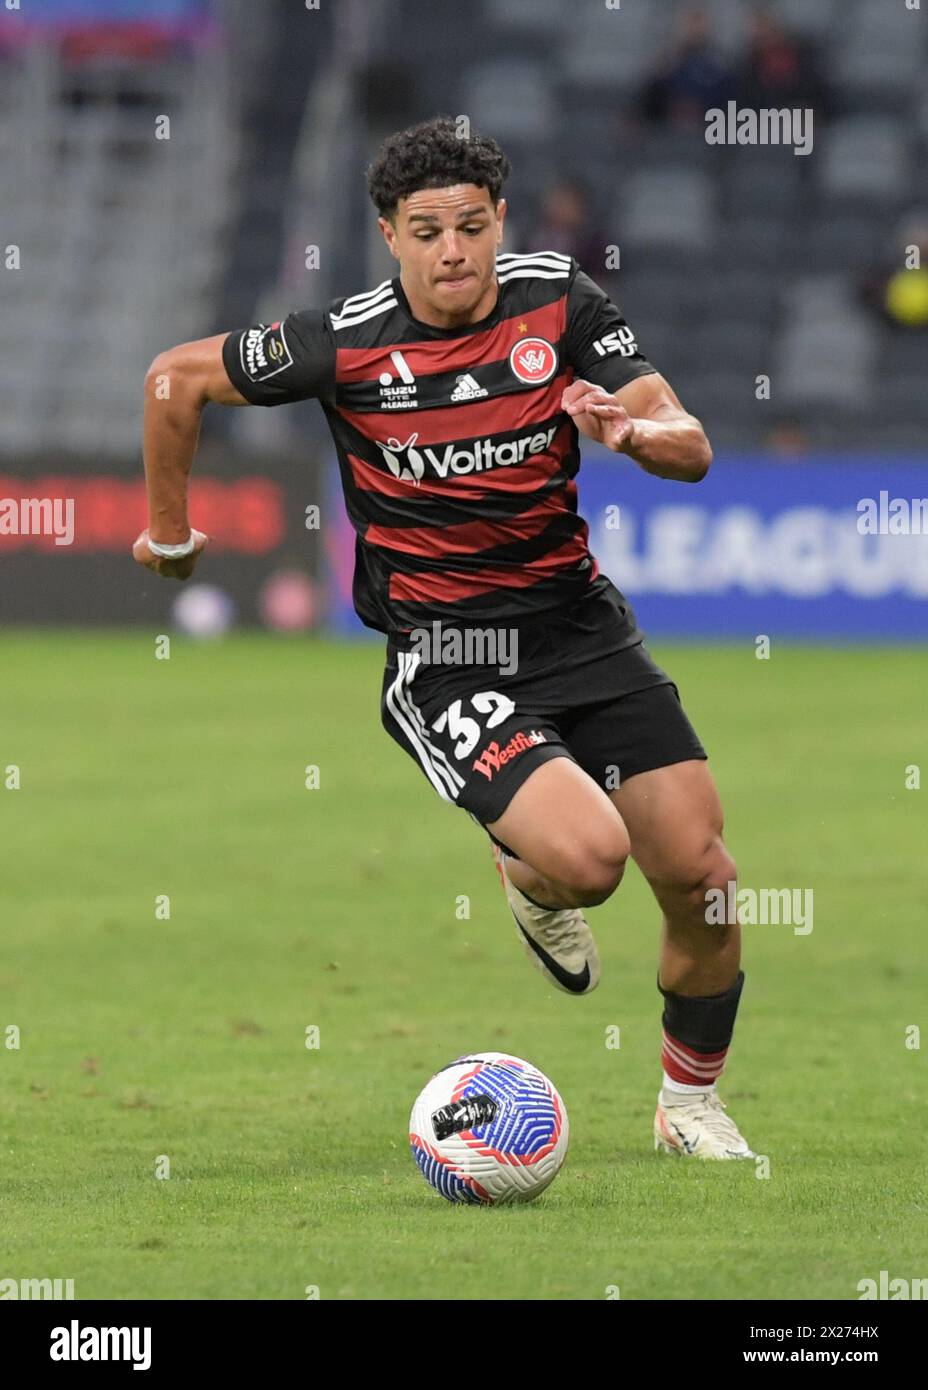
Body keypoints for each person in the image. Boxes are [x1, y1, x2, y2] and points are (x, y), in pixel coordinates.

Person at [133, 116, 755, 1161]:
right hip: (447, 650)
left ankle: (688, 1105)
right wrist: (167, 534)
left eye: (471, 225)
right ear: (389, 233)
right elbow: (173, 378)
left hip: (580, 625)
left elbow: (685, 441)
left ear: (500, 220)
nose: (453, 250)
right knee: (591, 859)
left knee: (703, 878)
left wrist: (639, 434)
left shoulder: (559, 303)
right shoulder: (342, 339)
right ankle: (531, 872)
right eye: (427, 230)